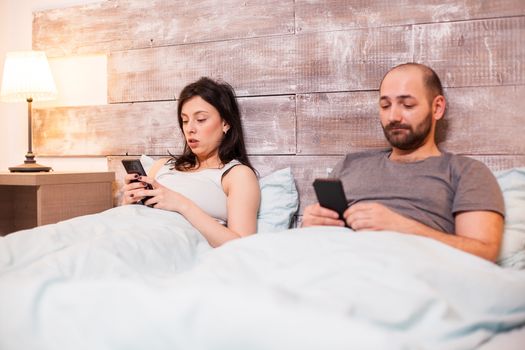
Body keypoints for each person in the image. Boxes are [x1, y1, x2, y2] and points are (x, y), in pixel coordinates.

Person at [302, 63, 505, 262]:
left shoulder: (466, 171)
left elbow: (484, 253)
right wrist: (310, 225)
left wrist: (404, 228)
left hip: (403, 269)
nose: (393, 116)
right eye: (385, 105)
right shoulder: (350, 164)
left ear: (437, 108)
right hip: (334, 261)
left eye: (407, 105)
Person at [121, 77, 261, 247]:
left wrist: (182, 204)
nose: (189, 128)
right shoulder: (162, 166)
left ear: (226, 123)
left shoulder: (237, 175)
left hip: (160, 246)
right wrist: (128, 203)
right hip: (128, 234)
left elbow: (242, 247)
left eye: (200, 119)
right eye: (185, 120)